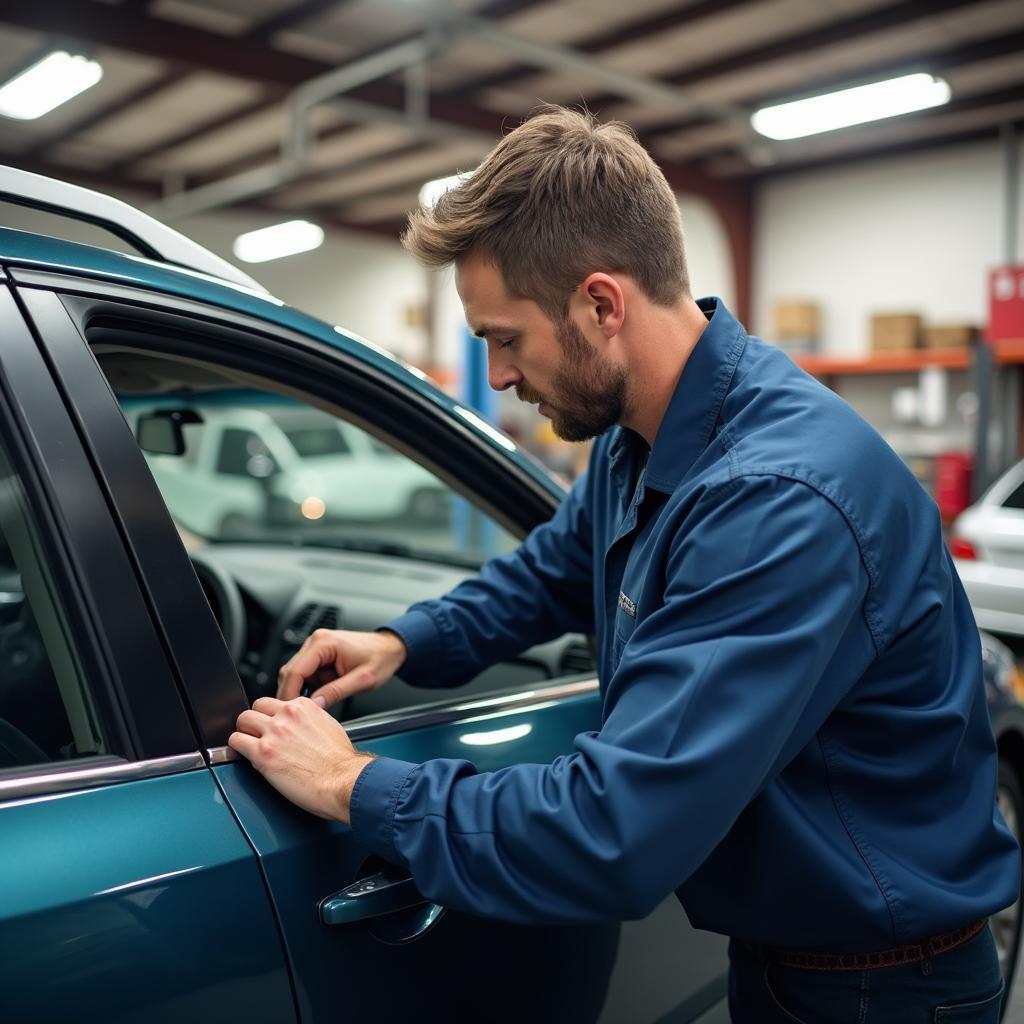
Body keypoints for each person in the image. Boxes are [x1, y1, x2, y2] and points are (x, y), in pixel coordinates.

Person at [228, 106, 1019, 1022]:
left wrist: (349, 782)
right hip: (795, 962)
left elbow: (615, 831)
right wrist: (405, 642)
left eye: (504, 338)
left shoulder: (777, 499)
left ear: (601, 305)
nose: (501, 376)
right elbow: (555, 572)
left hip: (884, 992)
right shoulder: (640, 436)